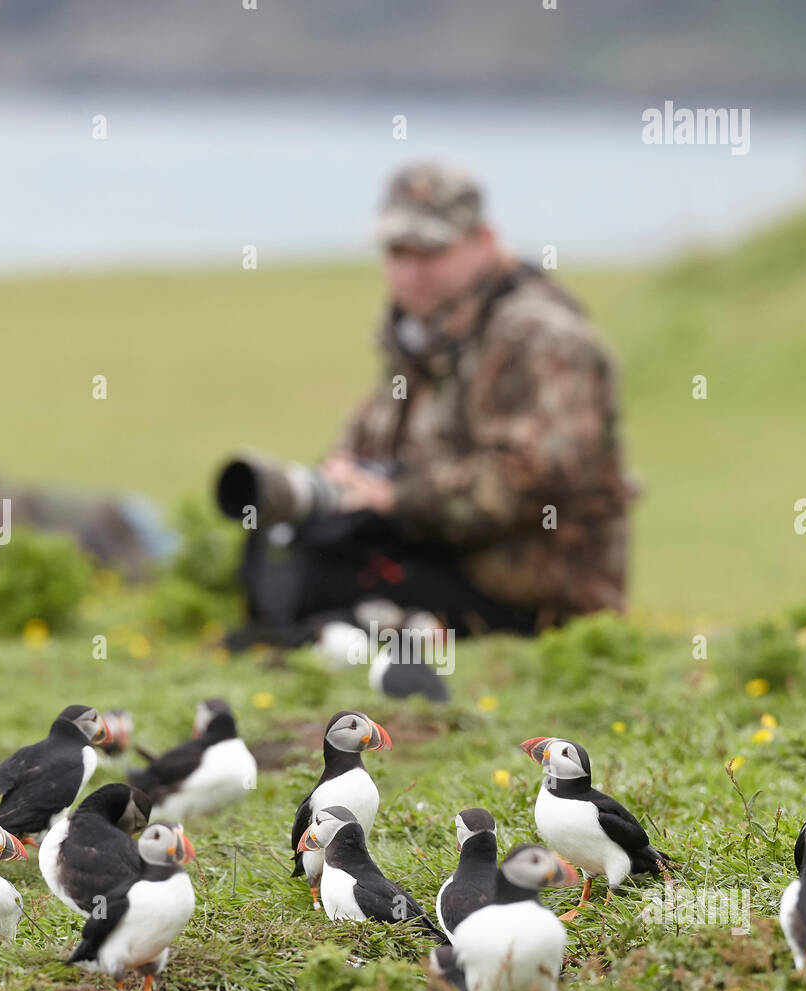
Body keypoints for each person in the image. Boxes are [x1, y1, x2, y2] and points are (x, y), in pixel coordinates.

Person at [216, 162, 634, 649]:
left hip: (537, 591)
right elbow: (370, 442)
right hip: (439, 554)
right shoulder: (421, 335)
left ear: (485, 240)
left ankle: (336, 641)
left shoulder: (539, 338)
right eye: (397, 252)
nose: (411, 272)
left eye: (431, 251)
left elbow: (537, 483)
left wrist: (398, 499)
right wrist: (344, 484)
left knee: (324, 574)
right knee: (284, 537)